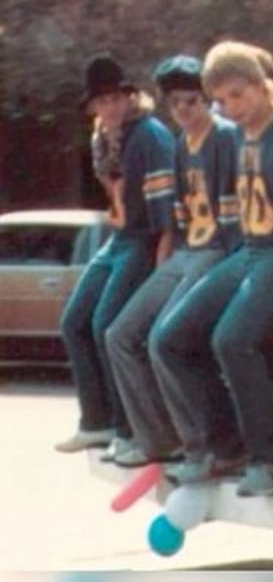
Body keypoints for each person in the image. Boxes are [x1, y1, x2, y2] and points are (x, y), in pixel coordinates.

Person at [150, 41, 273, 496]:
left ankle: (268, 460)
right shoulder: (237, 134)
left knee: (232, 340)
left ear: (262, 87)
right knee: (170, 339)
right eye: (219, 100)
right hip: (251, 250)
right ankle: (225, 448)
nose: (228, 108)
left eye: (237, 95)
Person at [104, 55, 241, 468]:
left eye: (192, 102)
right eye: (176, 103)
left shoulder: (225, 138)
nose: (183, 110)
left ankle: (201, 444)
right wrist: (164, 264)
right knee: (119, 334)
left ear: (207, 100)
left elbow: (233, 222)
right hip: (186, 250)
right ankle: (157, 439)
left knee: (165, 338)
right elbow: (179, 218)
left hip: (217, 250)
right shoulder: (180, 144)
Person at [54, 54, 176, 457]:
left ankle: (128, 428)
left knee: (110, 324)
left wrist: (161, 259)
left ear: (128, 97)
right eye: (100, 102)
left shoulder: (150, 135)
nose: (108, 108)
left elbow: (165, 210)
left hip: (145, 237)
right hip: (119, 235)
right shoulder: (102, 138)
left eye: (114, 99)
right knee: (74, 321)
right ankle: (97, 421)